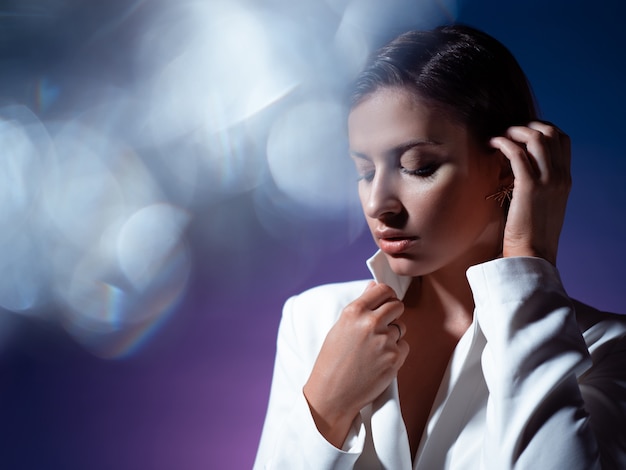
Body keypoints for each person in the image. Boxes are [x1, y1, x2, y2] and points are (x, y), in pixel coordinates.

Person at [253, 24, 626, 469]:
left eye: (419, 166)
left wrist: (530, 255)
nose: (378, 205)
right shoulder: (315, 321)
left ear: (509, 167)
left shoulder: (604, 348)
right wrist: (326, 407)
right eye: (366, 171)